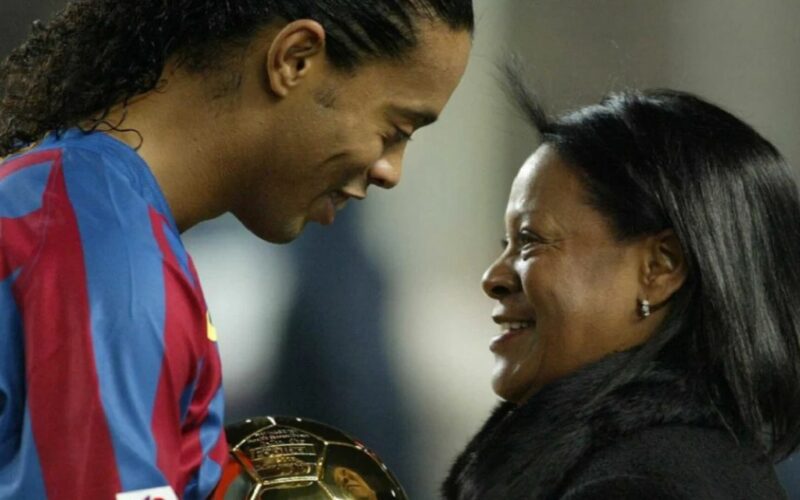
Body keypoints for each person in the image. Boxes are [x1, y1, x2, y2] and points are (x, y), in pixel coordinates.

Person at [0, 0, 473, 498]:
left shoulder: (80, 205)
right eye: (395, 130)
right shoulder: (109, 262)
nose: (391, 171)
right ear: (294, 60)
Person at [443, 73, 800, 499]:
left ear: (660, 268)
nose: (494, 278)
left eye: (530, 240)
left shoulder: (638, 487)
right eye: (506, 245)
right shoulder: (682, 463)